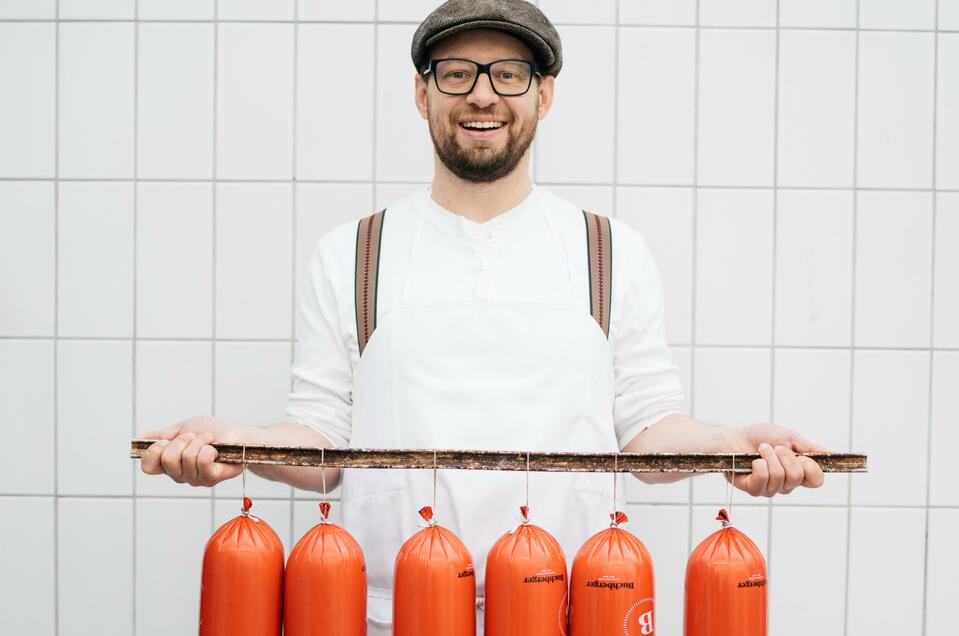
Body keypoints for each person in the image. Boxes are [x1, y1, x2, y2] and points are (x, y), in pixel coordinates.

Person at [141, 0, 827, 632]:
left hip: (563, 607)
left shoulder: (608, 250)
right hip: (387, 613)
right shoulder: (354, 252)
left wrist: (730, 445)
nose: (481, 94)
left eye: (508, 74)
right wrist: (236, 440)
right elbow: (323, 445)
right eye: (457, 73)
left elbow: (647, 432)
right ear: (422, 92)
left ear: (543, 94)